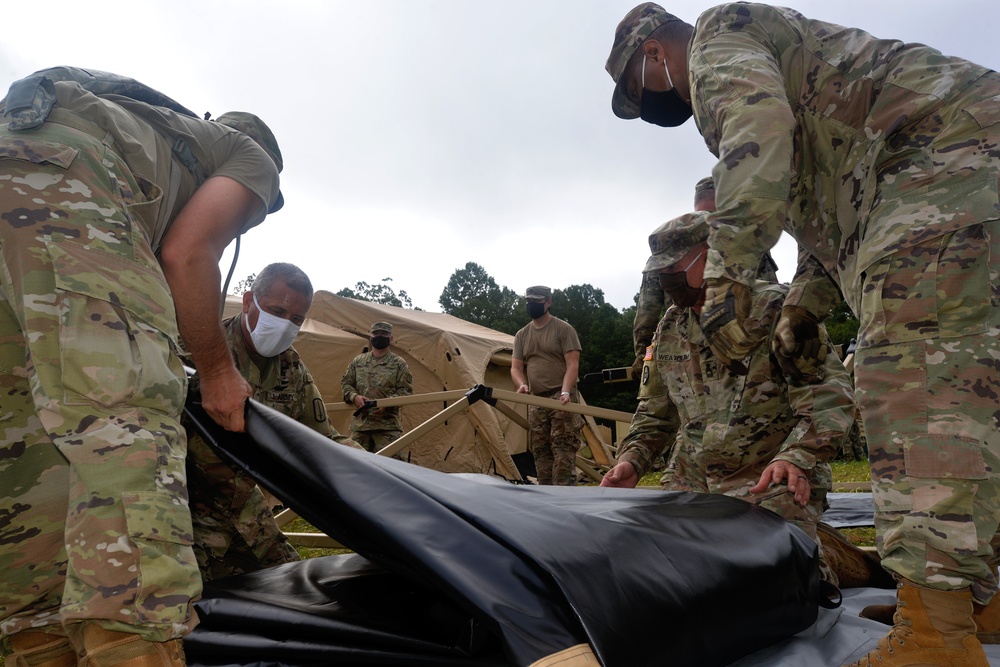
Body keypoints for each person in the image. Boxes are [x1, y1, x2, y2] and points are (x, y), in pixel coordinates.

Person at [606, 4, 1000, 665]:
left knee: (917, 384)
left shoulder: (715, 42)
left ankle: (936, 634)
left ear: (652, 54)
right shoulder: (784, 77)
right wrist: (805, 310)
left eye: (641, 90)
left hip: (937, 166)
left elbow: (756, 136)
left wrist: (730, 286)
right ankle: (977, 600)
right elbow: (826, 221)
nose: (655, 102)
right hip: (953, 170)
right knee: (973, 391)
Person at [0, 67, 282, 666]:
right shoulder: (250, 157)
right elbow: (187, 253)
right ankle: (133, 640)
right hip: (70, 188)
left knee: (22, 449)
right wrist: (216, 369)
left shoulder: (146, 124)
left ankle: (34, 639)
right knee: (125, 429)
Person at [602, 212, 878, 590]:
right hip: (693, 477)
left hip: (770, 477)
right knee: (661, 571)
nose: (666, 280)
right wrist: (632, 461)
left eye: (674, 268)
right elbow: (654, 412)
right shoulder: (670, 327)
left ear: (713, 255)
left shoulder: (777, 311)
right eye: (660, 272)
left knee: (778, 581)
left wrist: (795, 457)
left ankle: (833, 561)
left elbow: (829, 397)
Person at [185, 263, 364, 582]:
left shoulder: (290, 368)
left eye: (295, 319)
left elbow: (324, 439)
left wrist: (374, 470)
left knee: (289, 584)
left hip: (241, 507)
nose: (284, 325)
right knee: (186, 601)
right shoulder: (198, 350)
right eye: (276, 311)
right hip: (183, 506)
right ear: (248, 301)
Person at [631, 175, 779, 379]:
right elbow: (768, 303)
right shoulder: (747, 244)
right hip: (697, 349)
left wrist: (645, 360)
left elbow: (645, 318)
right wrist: (649, 362)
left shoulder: (665, 256)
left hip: (693, 354)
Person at [510, 286, 584, 486]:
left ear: (548, 302)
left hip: (561, 398)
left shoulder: (563, 329)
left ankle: (566, 499)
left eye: (537, 301)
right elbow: (515, 368)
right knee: (541, 453)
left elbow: (573, 364)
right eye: (529, 302)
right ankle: (546, 499)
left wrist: (566, 391)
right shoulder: (522, 335)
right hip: (536, 400)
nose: (532, 305)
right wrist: (522, 385)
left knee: (563, 454)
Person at [341, 322, 413, 456]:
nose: (379, 336)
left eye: (384, 334)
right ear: (370, 336)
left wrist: (388, 403)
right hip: (361, 427)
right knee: (355, 464)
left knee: (391, 467)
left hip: (387, 427)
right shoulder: (358, 362)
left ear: (390, 339)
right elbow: (346, 384)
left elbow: (406, 391)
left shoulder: (399, 363)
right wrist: (354, 396)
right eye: (376, 333)